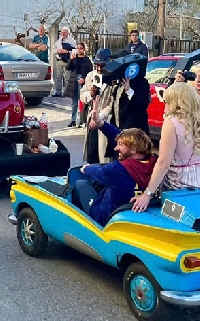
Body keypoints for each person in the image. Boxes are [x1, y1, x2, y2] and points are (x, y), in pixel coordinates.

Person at [72, 97, 157, 225]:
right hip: (136, 213)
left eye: (120, 145)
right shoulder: (154, 162)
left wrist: (86, 168)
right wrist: (100, 123)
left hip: (107, 218)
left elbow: (97, 172)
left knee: (80, 184)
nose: (116, 148)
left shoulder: (119, 169)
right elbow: (120, 135)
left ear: (133, 149)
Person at [132, 83, 200, 212]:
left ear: (175, 102)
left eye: (166, 102)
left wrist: (147, 194)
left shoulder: (172, 123)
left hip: (179, 186)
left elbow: (163, 163)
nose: (165, 106)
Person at [81, 49, 115, 164]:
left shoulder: (112, 79)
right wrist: (90, 94)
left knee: (103, 157)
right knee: (92, 154)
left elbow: (112, 104)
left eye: (102, 66)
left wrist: (98, 118)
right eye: (97, 66)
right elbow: (82, 95)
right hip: (91, 119)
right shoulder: (91, 76)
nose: (99, 69)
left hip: (105, 121)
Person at [65, 42, 92, 127]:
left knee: (82, 101)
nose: (79, 50)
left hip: (83, 80)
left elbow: (90, 72)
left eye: (81, 48)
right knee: (74, 101)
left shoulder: (87, 60)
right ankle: (73, 120)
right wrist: (71, 59)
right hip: (73, 79)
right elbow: (68, 68)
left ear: (85, 49)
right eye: (78, 48)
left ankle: (81, 121)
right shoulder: (74, 58)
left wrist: (84, 79)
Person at [52, 27, 77, 97]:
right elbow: (53, 49)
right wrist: (58, 51)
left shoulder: (72, 41)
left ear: (68, 33)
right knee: (58, 77)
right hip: (59, 61)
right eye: (61, 32)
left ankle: (66, 93)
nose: (62, 34)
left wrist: (67, 51)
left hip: (67, 61)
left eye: (64, 32)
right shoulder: (58, 41)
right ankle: (58, 92)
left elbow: (75, 51)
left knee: (67, 77)